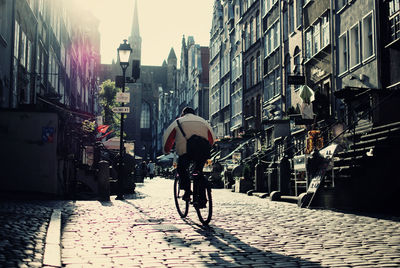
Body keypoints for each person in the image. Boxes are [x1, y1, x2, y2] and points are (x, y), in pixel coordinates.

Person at [163, 107, 215, 204]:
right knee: (198, 172)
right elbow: (211, 138)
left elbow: (168, 139)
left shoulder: (178, 122)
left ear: (183, 114)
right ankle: (202, 198)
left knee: (181, 169)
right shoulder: (203, 121)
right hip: (202, 151)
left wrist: (166, 150)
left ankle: (187, 191)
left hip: (186, 151)